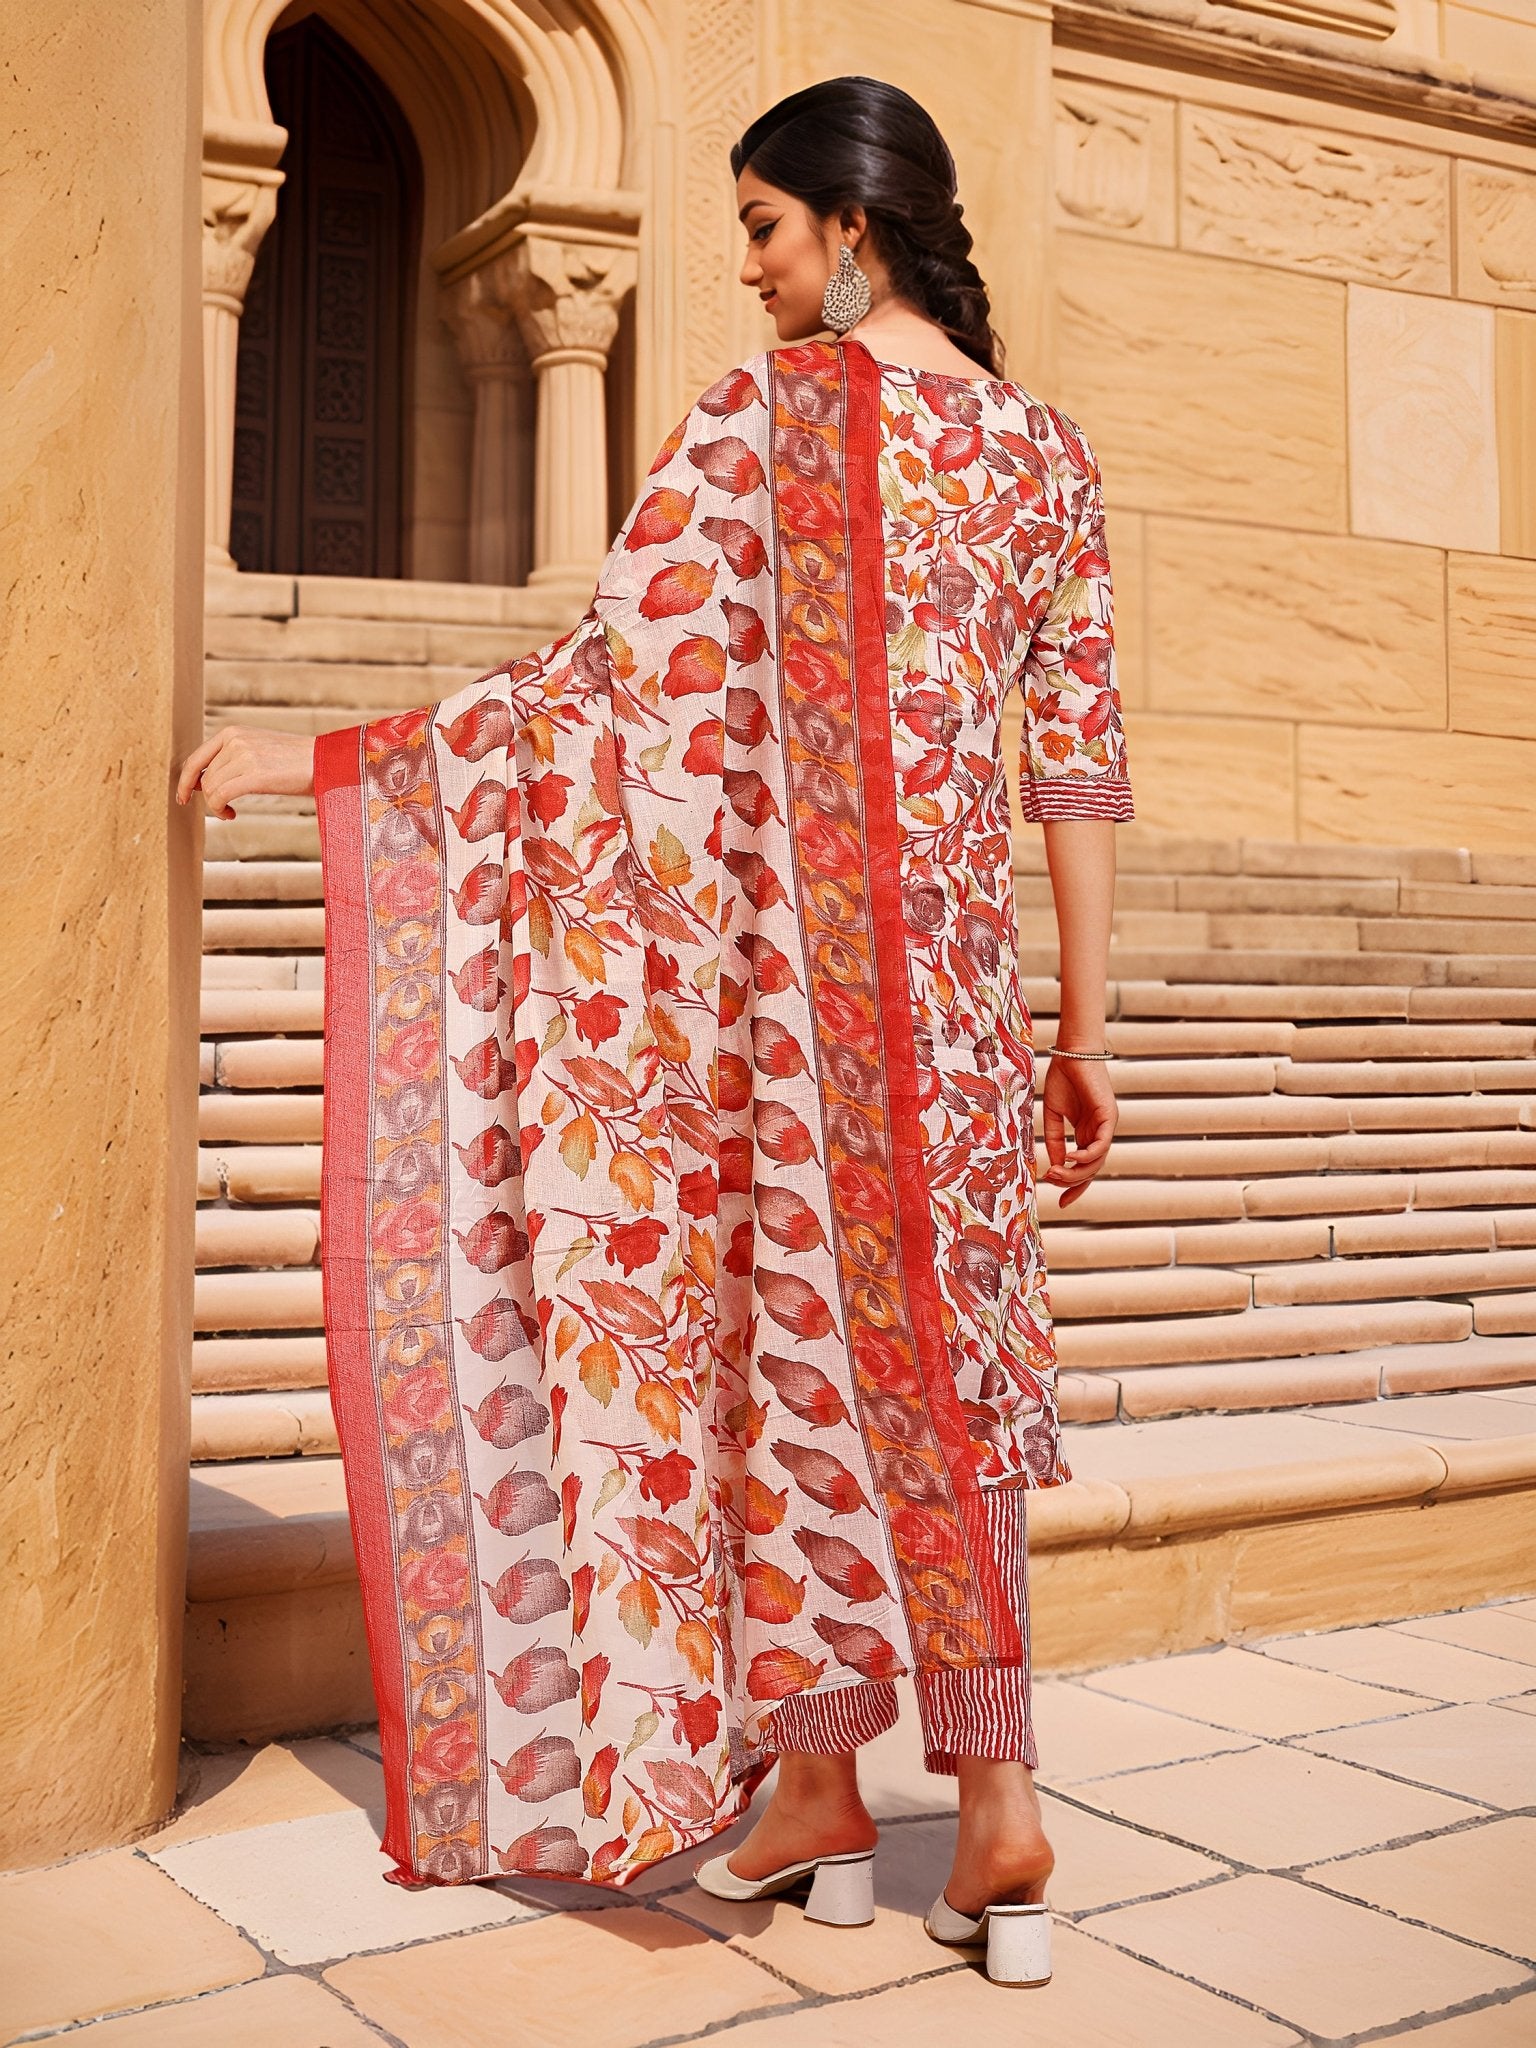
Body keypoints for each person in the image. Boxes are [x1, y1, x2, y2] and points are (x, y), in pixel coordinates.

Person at [177, 74, 1131, 1988]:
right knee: (941, 1383)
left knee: (780, 1376)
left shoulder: (755, 429)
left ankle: (839, 1793)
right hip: (948, 1015)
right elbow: (1082, 772)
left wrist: (332, 762)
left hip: (774, 1027)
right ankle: (964, 1808)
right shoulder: (1044, 457)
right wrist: (1075, 1032)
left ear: (851, 228)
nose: (756, 274)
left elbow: (607, 698)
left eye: (770, 232)